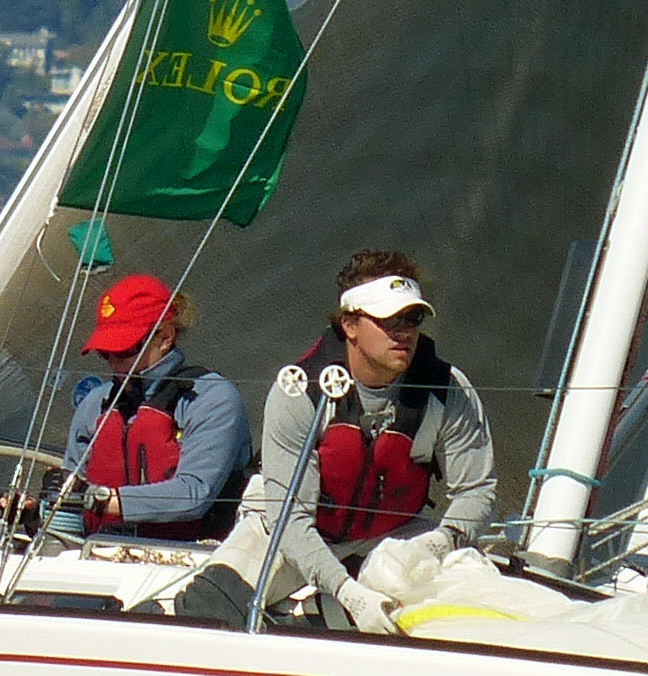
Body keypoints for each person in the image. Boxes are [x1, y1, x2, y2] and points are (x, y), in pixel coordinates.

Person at [170, 249, 496, 631]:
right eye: (389, 320)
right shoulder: (299, 391)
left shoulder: (448, 390)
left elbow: (477, 490)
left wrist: (440, 541)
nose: (404, 332)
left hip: (389, 537)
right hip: (289, 531)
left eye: (413, 318)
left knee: (472, 610)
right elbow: (291, 521)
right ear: (349, 325)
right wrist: (348, 593)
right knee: (207, 607)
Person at [58, 273, 249, 539]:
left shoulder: (211, 399)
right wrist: (34, 512)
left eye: (122, 349)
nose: (113, 361)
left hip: (192, 555)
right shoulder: (95, 405)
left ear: (165, 337)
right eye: (104, 352)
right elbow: (69, 504)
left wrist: (101, 500)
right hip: (98, 553)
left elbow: (194, 495)